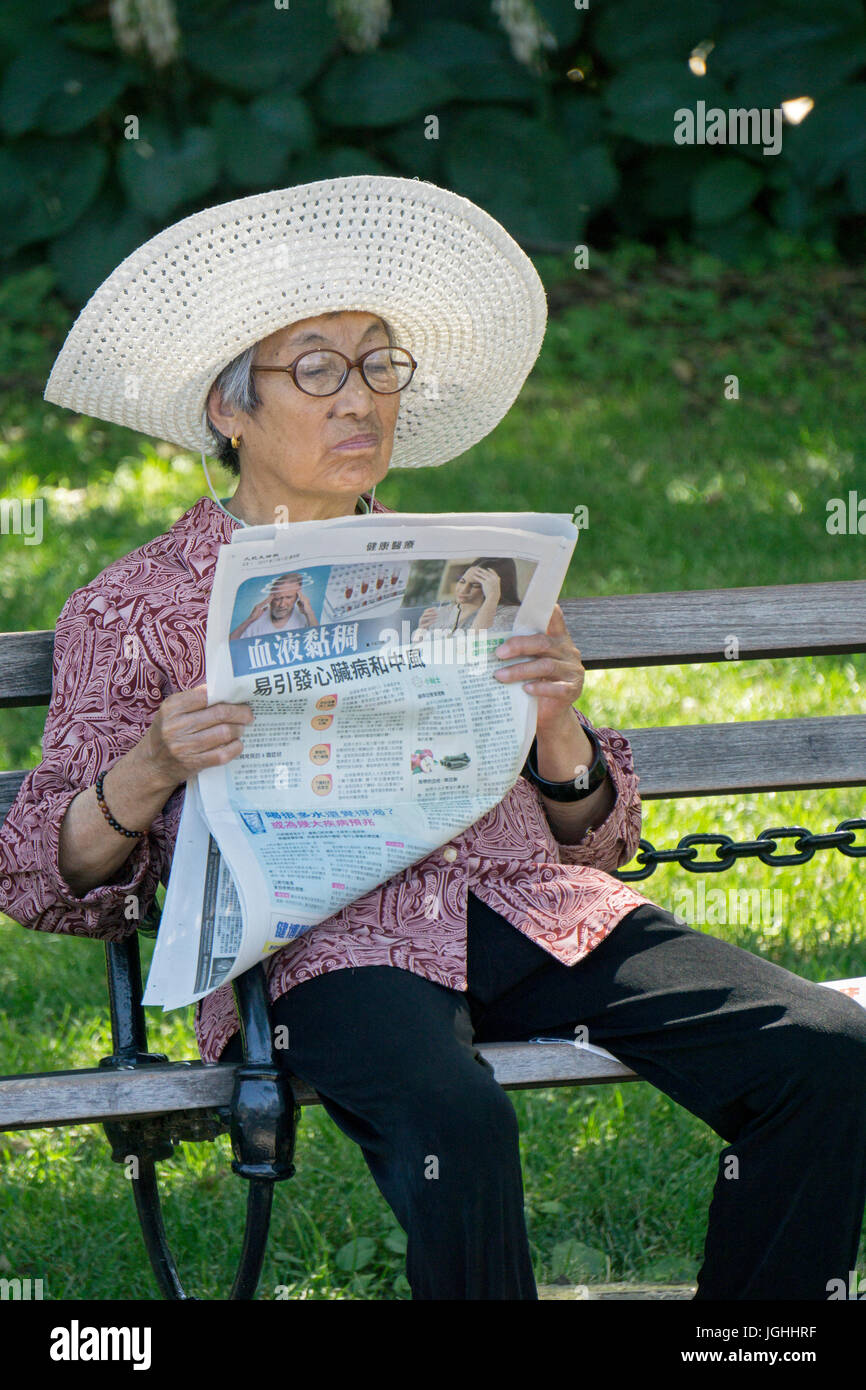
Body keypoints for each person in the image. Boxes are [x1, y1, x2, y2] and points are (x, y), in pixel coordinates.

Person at [1, 176, 865, 1302]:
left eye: (377, 365)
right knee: (456, 1123)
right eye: (315, 369)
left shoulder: (463, 562)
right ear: (229, 409)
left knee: (825, 1053)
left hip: (526, 910)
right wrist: (151, 765)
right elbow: (37, 876)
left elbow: (592, 844)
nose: (359, 399)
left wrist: (555, 722)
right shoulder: (138, 607)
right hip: (323, 946)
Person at [230, 572, 316, 640]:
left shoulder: (306, 617)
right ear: (270, 597)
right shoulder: (257, 619)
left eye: (289, 597)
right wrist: (250, 620)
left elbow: (320, 640)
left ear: (297, 596)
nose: (282, 605)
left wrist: (310, 614)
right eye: (278, 598)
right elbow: (229, 646)